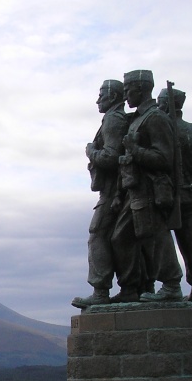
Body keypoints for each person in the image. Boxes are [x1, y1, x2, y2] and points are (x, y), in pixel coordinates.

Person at [144, 87, 192, 302]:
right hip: (190, 196)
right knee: (191, 244)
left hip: (163, 197)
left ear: (167, 104)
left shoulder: (161, 130)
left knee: (161, 242)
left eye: (160, 103)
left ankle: (169, 284)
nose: (158, 107)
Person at [108, 69, 177, 303]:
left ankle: (171, 284)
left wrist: (135, 150)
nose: (125, 95)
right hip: (133, 189)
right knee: (121, 238)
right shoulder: (136, 119)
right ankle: (130, 288)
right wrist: (119, 192)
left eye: (128, 90)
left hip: (151, 189)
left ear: (141, 88)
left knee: (156, 236)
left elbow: (165, 158)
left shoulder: (155, 118)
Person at [72, 80, 130, 309]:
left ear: (114, 96)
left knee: (97, 234)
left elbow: (110, 157)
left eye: (101, 95)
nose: (98, 100)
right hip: (117, 190)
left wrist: (90, 151)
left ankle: (100, 290)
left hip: (114, 191)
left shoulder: (113, 119)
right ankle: (128, 287)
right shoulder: (116, 118)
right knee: (119, 239)